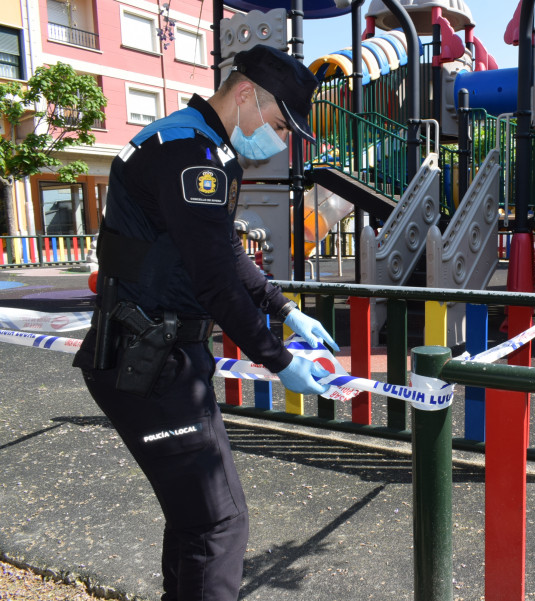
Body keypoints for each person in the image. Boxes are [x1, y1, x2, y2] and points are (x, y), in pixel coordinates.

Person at [72, 45, 337, 601]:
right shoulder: (191, 157)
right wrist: (279, 359)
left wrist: (282, 308)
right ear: (246, 95)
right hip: (150, 362)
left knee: (197, 519)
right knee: (218, 524)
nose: (282, 141)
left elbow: (221, 251)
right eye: (280, 124)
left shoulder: (191, 143)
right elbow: (215, 279)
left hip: (154, 358)